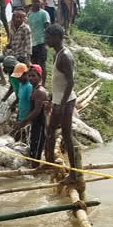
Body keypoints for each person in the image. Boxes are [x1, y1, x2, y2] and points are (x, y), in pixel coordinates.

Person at [44, 24, 77, 184]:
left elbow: (71, 82)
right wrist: (51, 98)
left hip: (66, 101)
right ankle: (49, 163)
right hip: (58, 100)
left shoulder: (65, 56)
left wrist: (62, 104)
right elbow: (58, 81)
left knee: (66, 135)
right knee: (50, 131)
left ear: (57, 38)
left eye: (48, 37)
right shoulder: (56, 54)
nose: (46, 39)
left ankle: (74, 174)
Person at [14, 65, 48, 160]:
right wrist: (23, 121)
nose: (31, 78)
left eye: (33, 76)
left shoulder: (40, 91)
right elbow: (31, 108)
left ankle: (35, 167)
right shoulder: (34, 89)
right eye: (29, 76)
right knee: (33, 146)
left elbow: (36, 111)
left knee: (36, 149)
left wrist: (23, 122)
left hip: (40, 124)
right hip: (35, 123)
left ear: (40, 77)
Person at [0, 9, 31, 82]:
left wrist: (28, 58)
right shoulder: (12, 27)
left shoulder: (26, 29)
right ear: (14, 17)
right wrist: (6, 47)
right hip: (11, 53)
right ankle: (2, 79)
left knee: (12, 67)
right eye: (17, 17)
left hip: (21, 55)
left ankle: (16, 82)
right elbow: (10, 42)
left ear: (24, 18)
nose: (18, 19)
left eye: (21, 17)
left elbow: (29, 44)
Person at [7, 62, 32, 142]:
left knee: (25, 141)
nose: (17, 78)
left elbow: (32, 105)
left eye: (19, 76)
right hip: (21, 117)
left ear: (25, 74)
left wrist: (25, 121)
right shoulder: (21, 84)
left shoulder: (29, 87)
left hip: (27, 120)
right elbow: (20, 99)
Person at [27, 0, 50, 80]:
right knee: (34, 65)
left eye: (38, 1)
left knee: (42, 64)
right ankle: (35, 83)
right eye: (34, 1)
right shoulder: (29, 14)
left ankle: (43, 84)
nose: (36, 3)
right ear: (31, 3)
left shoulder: (44, 13)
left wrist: (47, 42)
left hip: (41, 42)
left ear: (41, 3)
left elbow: (47, 27)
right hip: (32, 43)